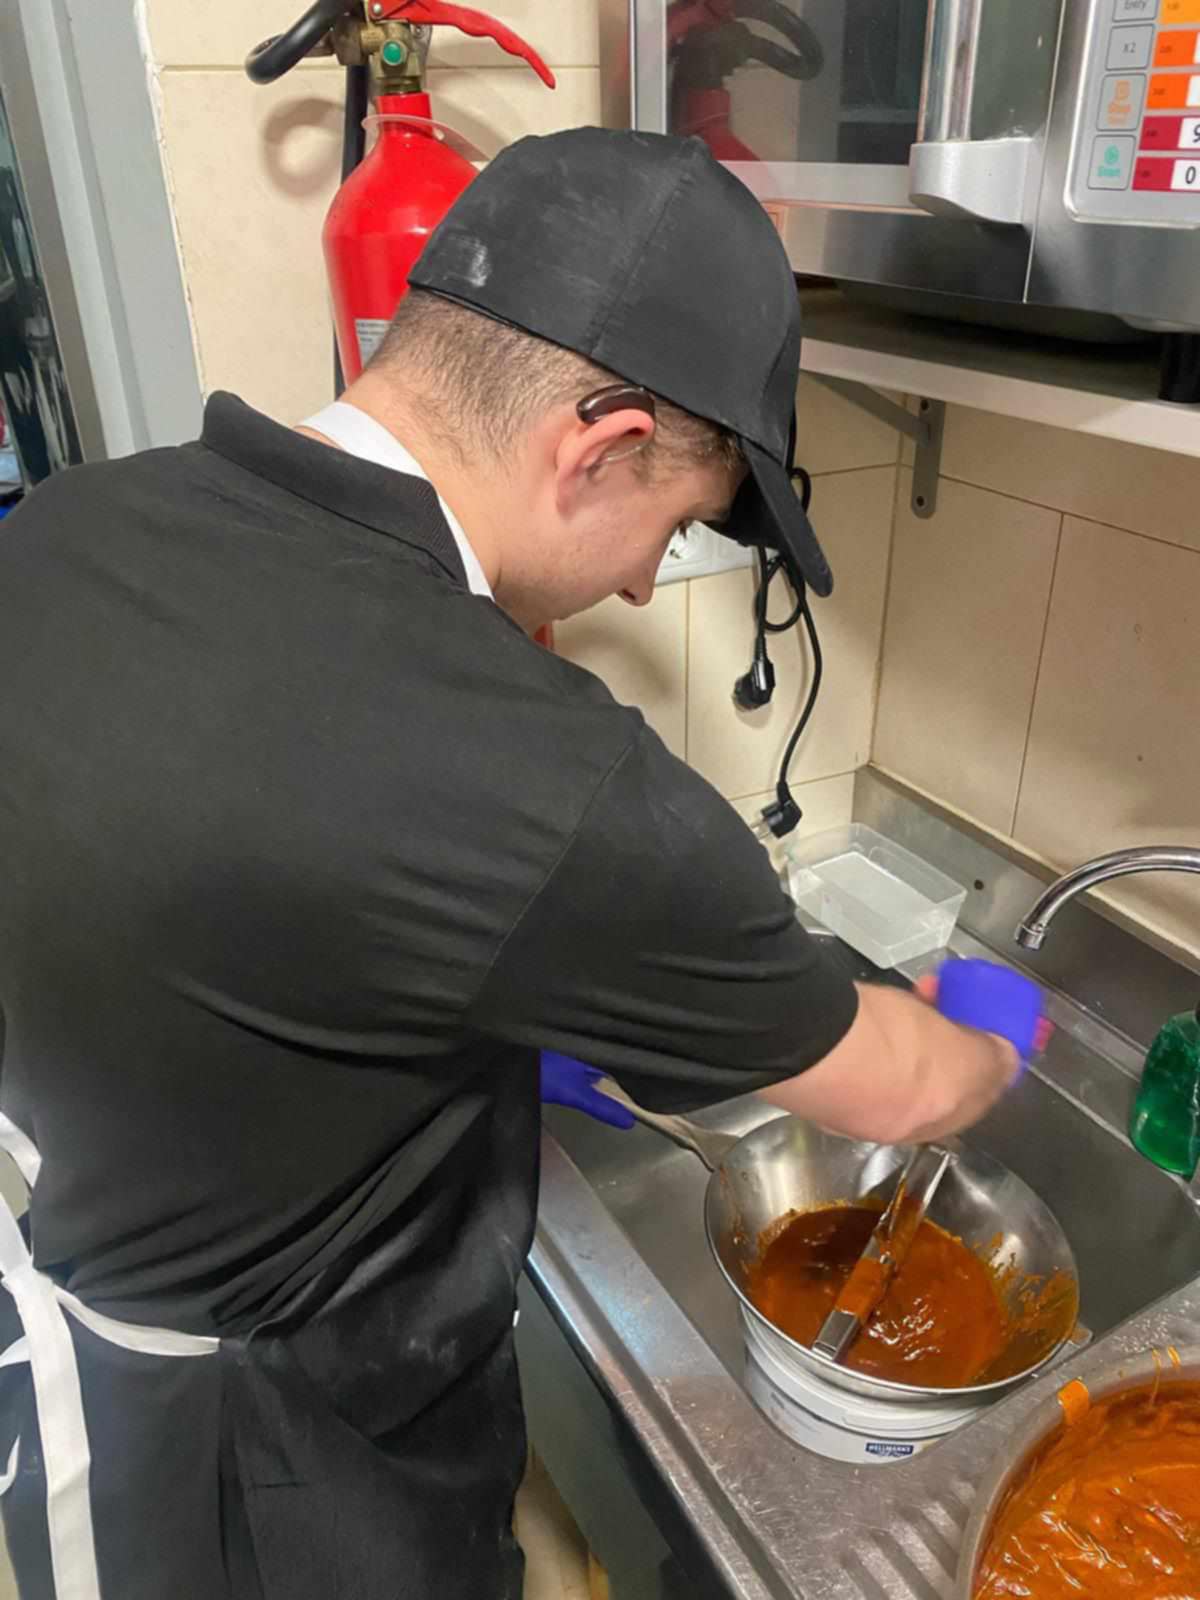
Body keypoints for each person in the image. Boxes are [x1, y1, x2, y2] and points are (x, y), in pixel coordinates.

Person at [0, 128, 1017, 1600]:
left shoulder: (76, 523)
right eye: (672, 527)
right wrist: (999, 1037)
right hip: (276, 1476)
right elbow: (907, 1090)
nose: (641, 585)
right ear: (599, 447)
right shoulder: (542, 776)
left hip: (89, 1350)